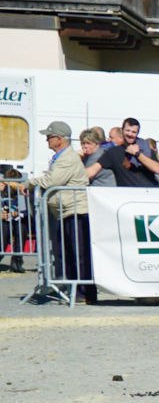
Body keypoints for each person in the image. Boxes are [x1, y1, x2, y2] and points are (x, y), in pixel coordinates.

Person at [21, 120, 93, 302]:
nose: (47, 140)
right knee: (67, 253)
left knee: (78, 254)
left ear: (59, 139)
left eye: (49, 137)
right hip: (65, 210)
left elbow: (51, 181)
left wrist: (30, 183)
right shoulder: (61, 157)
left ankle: (84, 293)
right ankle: (71, 288)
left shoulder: (68, 158)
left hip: (76, 210)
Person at [116, 117, 159, 187]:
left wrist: (137, 154)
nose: (130, 134)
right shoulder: (116, 149)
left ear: (138, 133)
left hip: (147, 189)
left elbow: (157, 169)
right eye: (127, 130)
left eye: (133, 132)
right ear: (122, 130)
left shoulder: (146, 148)